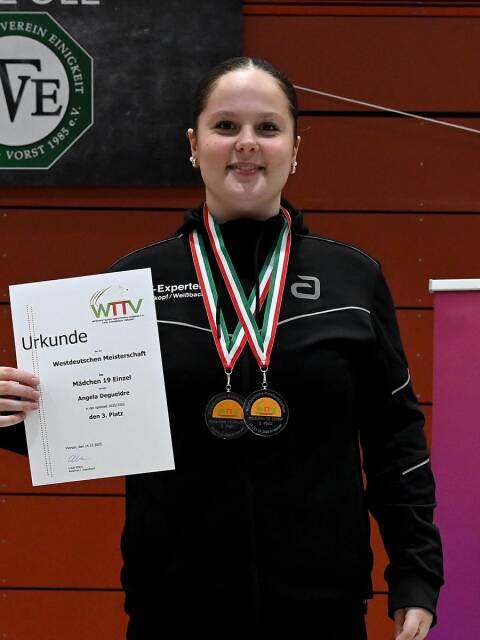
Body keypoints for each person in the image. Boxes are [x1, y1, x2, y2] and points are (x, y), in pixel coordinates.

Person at [0, 56, 444, 639]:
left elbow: (395, 440)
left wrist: (415, 572)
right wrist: (12, 412)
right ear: (194, 144)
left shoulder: (352, 280)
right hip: (175, 609)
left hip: (323, 608)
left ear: (295, 148)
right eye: (226, 126)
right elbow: (84, 428)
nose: (246, 143)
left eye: (268, 127)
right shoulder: (133, 285)